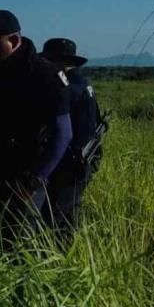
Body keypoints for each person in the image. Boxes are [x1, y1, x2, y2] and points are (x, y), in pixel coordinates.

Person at [0, 10, 71, 242]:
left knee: (19, 244)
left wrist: (35, 178)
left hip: (25, 177)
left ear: (13, 41)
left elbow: (63, 133)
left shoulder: (45, 75)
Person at [39, 38, 100, 239]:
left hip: (71, 163)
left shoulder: (69, 89)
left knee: (59, 217)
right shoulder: (83, 84)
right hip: (82, 160)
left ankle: (59, 260)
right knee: (66, 212)